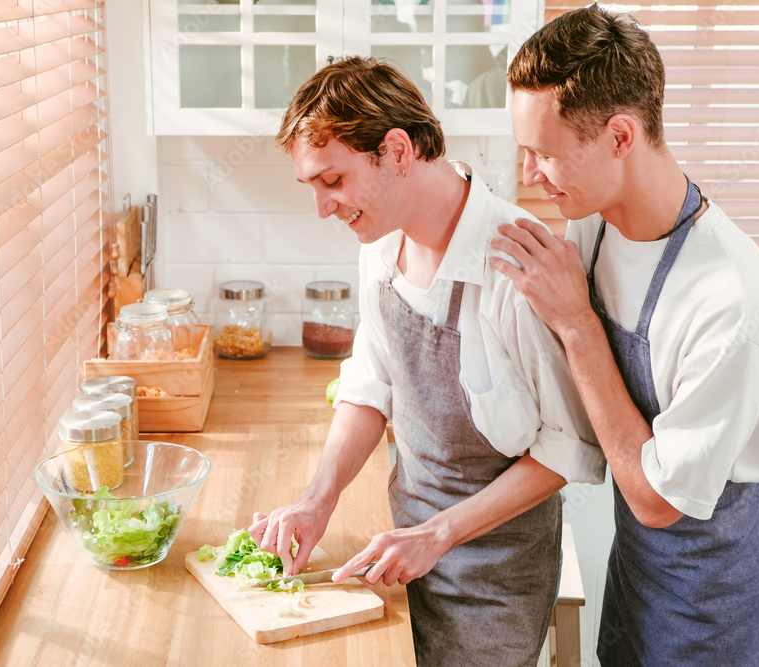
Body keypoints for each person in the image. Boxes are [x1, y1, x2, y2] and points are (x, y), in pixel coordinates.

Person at [249, 56, 605, 666]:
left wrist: (437, 535)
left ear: (394, 150)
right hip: (400, 555)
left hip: (493, 586)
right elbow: (371, 382)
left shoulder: (515, 264)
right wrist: (320, 497)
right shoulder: (381, 239)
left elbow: (569, 446)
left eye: (332, 181)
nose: (323, 208)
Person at [492, 6, 759, 665]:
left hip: (716, 573)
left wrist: (579, 324)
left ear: (620, 136)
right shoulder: (593, 222)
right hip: (640, 553)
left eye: (544, 153)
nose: (529, 176)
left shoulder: (729, 301)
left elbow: (659, 498)